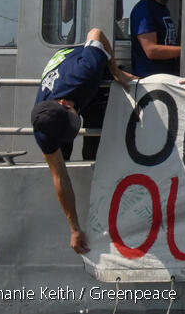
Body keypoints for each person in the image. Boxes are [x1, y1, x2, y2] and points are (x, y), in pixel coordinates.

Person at [31, 27, 135, 253]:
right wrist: (74, 227)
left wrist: (115, 69)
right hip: (61, 88)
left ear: (65, 104)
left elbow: (96, 32)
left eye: (72, 122)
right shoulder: (43, 129)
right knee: (63, 157)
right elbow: (60, 176)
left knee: (94, 149)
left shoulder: (85, 71)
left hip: (84, 74)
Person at [130, 0, 180, 76]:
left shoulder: (162, 9)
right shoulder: (144, 9)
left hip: (165, 77)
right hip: (150, 81)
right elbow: (151, 50)